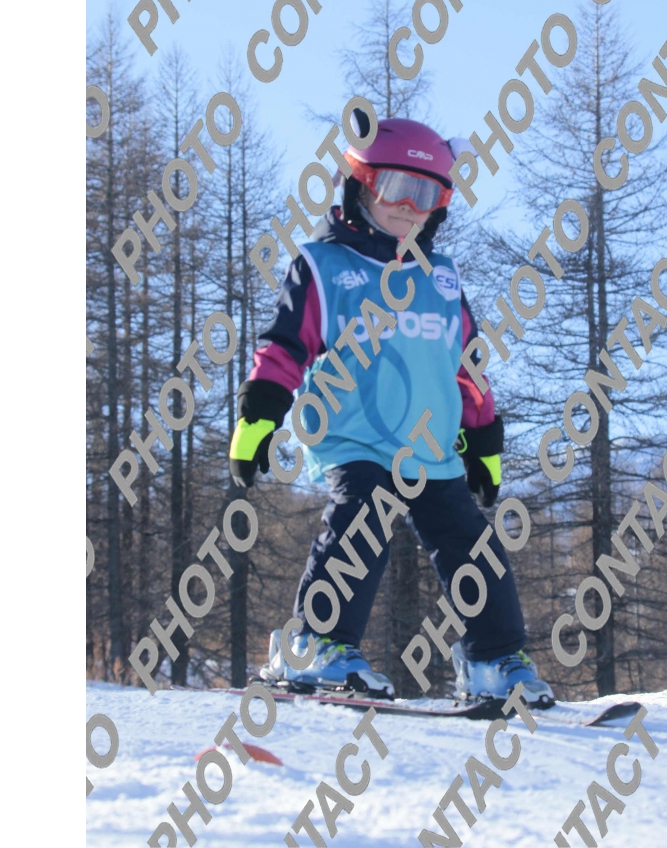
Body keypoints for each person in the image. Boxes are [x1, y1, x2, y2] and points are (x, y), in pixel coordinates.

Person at [228, 116, 554, 708]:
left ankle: (496, 661)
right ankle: (317, 644)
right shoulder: (324, 267)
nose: (410, 207)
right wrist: (260, 415)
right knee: (363, 521)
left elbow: (467, 365)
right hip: (355, 438)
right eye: (397, 188)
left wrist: (483, 439)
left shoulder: (441, 279)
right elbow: (285, 346)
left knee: (471, 543)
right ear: (361, 185)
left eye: (426, 194)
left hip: (431, 448)